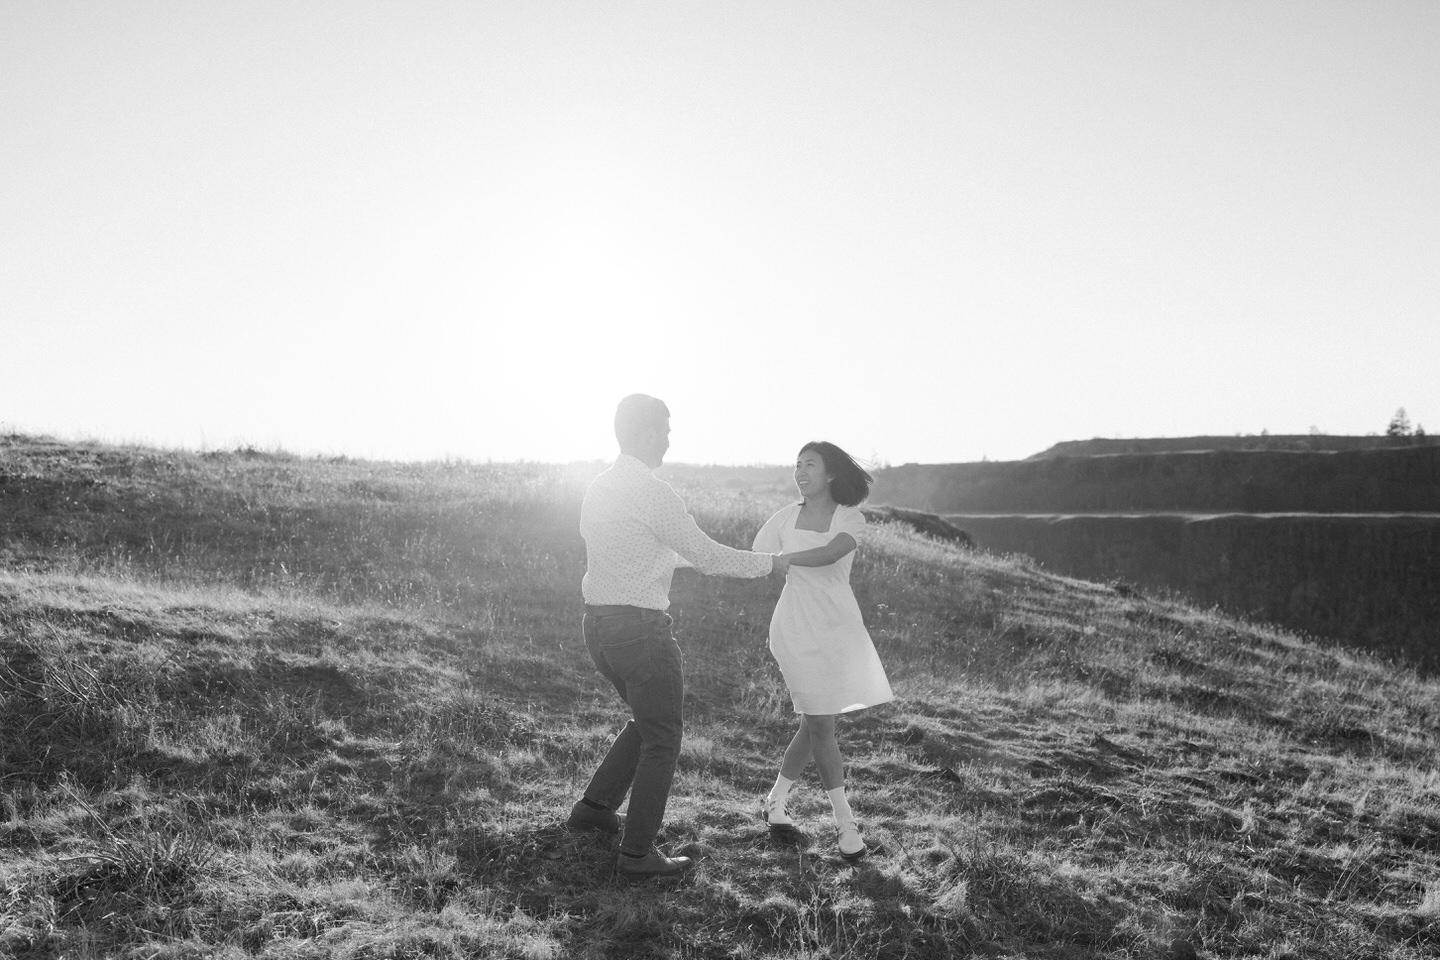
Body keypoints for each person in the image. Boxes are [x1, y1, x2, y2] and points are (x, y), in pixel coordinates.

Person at [569, 394, 789, 880]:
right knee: (663, 737)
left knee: (649, 720)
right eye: (665, 431)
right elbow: (706, 555)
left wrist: (708, 560)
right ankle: (637, 856)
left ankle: (593, 810)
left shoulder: (599, 487)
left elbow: (647, 552)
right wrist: (769, 565)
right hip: (641, 635)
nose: (669, 441)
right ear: (648, 434)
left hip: (599, 629)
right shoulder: (654, 493)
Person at [751, 441, 893, 861]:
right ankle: (846, 824)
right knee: (821, 723)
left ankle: (776, 801)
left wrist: (785, 559)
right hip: (794, 628)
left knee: (816, 721)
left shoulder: (850, 517)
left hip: (837, 627)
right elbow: (757, 558)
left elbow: (833, 552)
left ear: (830, 473)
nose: (800, 471)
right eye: (797, 464)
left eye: (809, 464)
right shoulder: (783, 517)